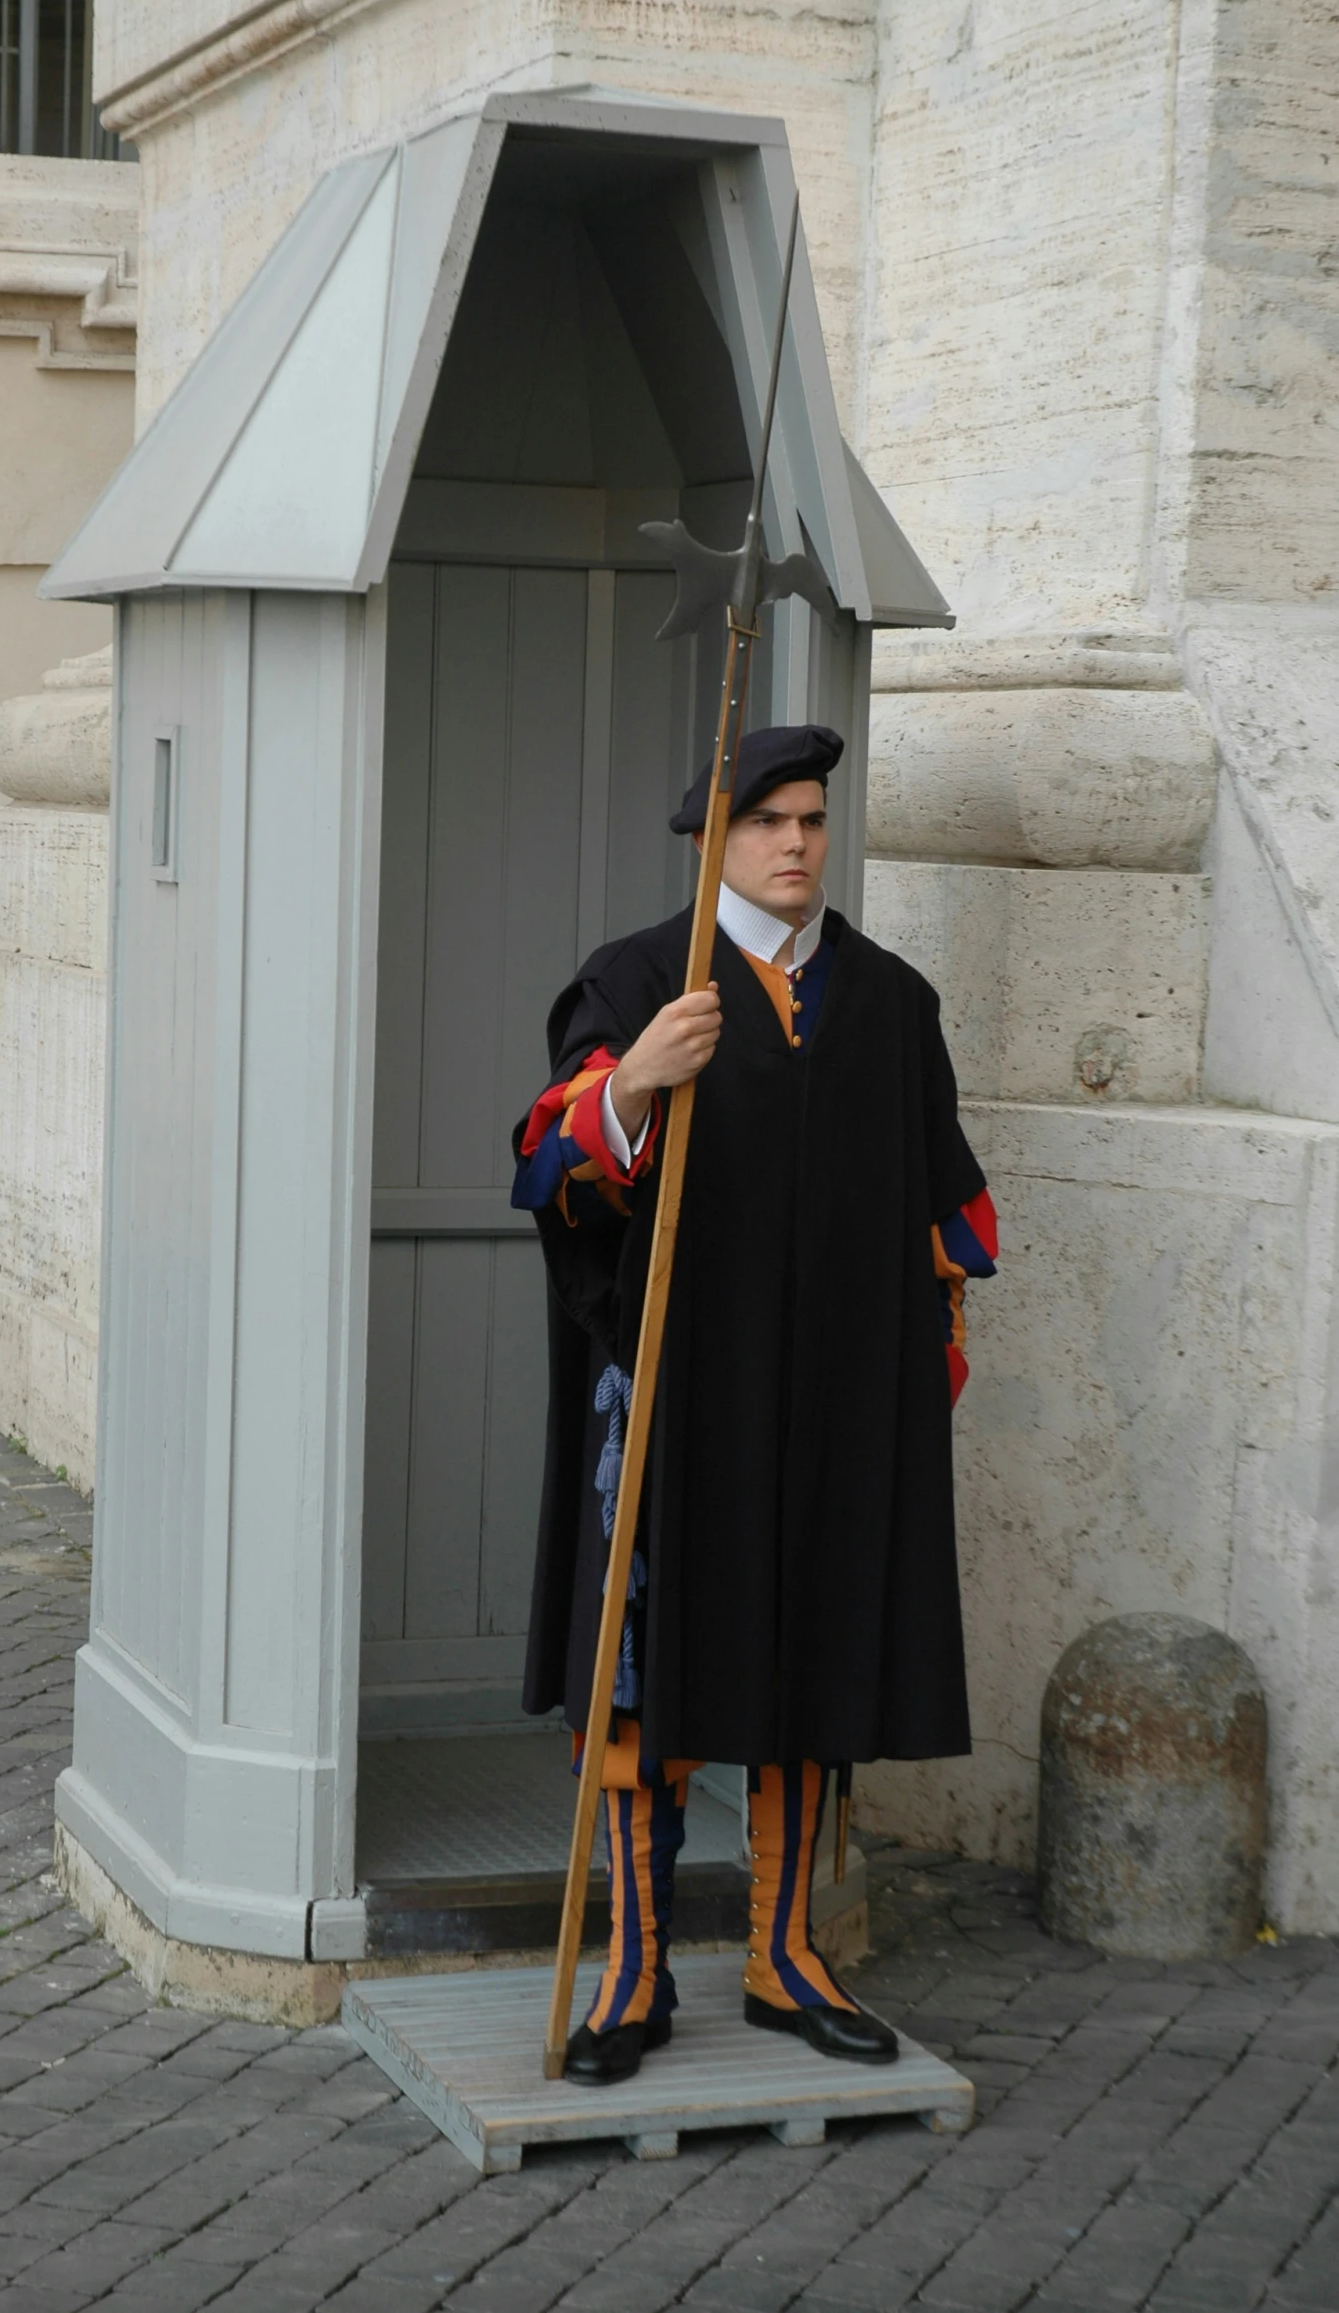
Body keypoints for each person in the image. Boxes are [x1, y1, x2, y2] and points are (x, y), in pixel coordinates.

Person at [511, 723, 998, 2086]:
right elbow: (551, 1163)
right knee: (645, 1678)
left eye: (811, 818)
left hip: (838, 1412)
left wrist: (924, 1366)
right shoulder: (635, 981)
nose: (795, 840)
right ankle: (636, 1964)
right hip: (679, 1404)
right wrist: (636, 1083)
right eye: (767, 818)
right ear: (712, 836)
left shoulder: (894, 1004)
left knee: (813, 1658)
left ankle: (786, 1957)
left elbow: (951, 1211)